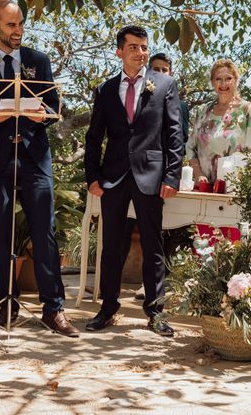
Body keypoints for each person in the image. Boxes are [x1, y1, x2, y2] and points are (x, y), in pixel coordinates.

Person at [0, 0, 79, 337]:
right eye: (10, 25)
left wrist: (43, 115)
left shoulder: (39, 61)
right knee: (0, 232)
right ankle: (7, 305)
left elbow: (52, 106)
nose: (18, 30)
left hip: (34, 157)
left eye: (20, 23)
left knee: (44, 233)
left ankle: (54, 310)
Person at [84, 25, 183, 336]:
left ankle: (155, 312)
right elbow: (93, 137)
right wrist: (92, 177)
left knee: (154, 246)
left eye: (144, 47)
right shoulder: (105, 90)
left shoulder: (165, 84)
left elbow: (174, 134)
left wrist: (172, 174)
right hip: (112, 177)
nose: (141, 53)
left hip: (151, 175)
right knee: (111, 247)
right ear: (119, 52)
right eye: (134, 48)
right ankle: (108, 306)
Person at [127, 52, 190, 300]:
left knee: (167, 234)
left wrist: (170, 172)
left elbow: (180, 137)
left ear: (171, 72)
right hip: (137, 172)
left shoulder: (179, 103)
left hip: (165, 172)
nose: (160, 73)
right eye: (156, 68)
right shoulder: (138, 95)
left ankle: (164, 286)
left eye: (165, 69)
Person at [186, 59, 251, 184]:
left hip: (234, 187)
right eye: (218, 79)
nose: (223, 83)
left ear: (236, 80)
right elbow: (190, 147)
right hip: (204, 187)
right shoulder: (203, 111)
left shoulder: (247, 109)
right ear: (212, 83)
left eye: (228, 78)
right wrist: (198, 175)